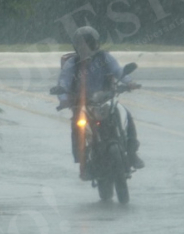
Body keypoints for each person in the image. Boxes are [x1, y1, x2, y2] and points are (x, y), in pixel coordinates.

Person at [55, 27, 143, 179]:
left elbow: (118, 72)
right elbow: (64, 81)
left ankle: (132, 153)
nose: (85, 47)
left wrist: (130, 83)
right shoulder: (72, 63)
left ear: (95, 43)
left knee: (126, 115)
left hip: (106, 100)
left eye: (88, 42)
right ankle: (83, 163)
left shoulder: (104, 58)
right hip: (81, 103)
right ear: (76, 46)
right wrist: (63, 99)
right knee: (78, 126)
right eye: (81, 44)